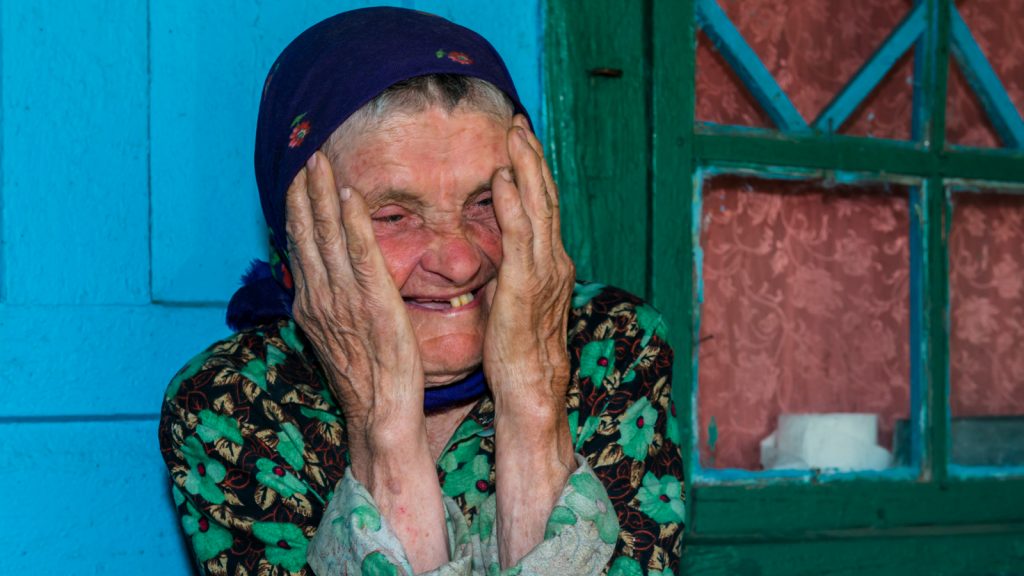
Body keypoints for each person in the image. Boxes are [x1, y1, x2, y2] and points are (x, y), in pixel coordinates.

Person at [159, 7, 683, 576]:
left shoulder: (610, 345)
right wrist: (383, 427)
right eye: (394, 216)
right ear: (302, 235)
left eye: (485, 203)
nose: (459, 261)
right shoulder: (232, 405)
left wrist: (534, 402)